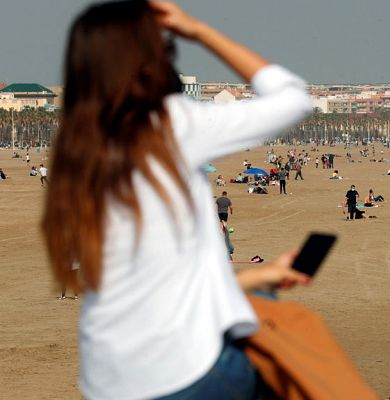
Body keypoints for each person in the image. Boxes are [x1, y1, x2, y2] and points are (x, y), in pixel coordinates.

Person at [41, 2, 313, 398]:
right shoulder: (170, 125)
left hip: (106, 379)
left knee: (264, 300)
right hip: (185, 373)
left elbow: (148, 282)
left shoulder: (77, 144)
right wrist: (198, 30)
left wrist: (260, 277)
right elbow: (293, 98)